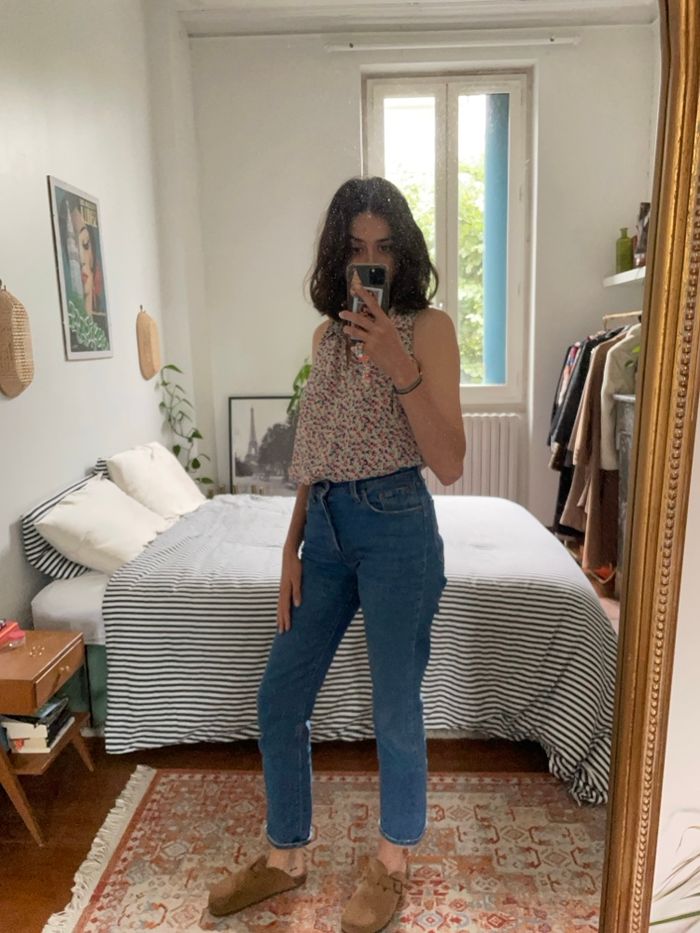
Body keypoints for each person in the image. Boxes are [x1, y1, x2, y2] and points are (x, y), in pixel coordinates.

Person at [208, 177, 465, 932]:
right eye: (355, 249)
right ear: (337, 258)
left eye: (383, 248)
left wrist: (398, 361)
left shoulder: (430, 328)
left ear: (403, 254)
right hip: (321, 530)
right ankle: (286, 855)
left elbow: (450, 462)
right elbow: (314, 452)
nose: (368, 262)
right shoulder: (324, 338)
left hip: (397, 527)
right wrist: (291, 545)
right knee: (280, 696)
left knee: (395, 706)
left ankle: (392, 862)